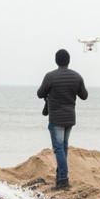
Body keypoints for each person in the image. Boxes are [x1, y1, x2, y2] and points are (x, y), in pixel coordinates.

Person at [37, 49, 88, 190]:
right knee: (63, 147)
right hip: (70, 118)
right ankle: (60, 178)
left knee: (59, 148)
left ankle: (64, 180)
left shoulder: (50, 77)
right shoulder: (77, 77)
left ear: (56, 61)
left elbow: (40, 93)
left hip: (56, 118)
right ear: (69, 60)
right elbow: (84, 96)